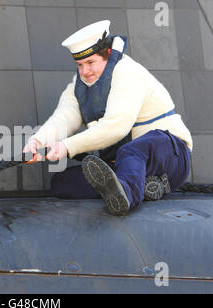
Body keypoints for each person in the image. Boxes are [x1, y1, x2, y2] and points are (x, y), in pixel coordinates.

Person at [23, 20, 193, 216]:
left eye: (90, 62)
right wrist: (37, 141)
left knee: (133, 150)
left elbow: (116, 127)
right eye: (79, 64)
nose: (84, 71)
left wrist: (66, 147)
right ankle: (141, 185)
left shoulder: (127, 72)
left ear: (108, 54)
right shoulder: (78, 86)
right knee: (62, 182)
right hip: (126, 163)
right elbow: (63, 119)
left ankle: (126, 196)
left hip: (170, 155)